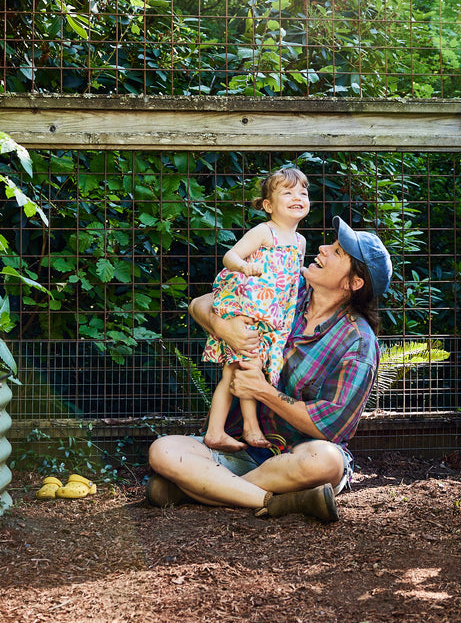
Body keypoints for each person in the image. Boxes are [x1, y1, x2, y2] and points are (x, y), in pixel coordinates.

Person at [145, 216, 392, 523]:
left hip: (296, 460)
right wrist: (224, 327)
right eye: (332, 244)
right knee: (163, 450)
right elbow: (199, 304)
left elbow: (330, 427)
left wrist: (262, 391)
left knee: (325, 461)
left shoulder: (358, 343)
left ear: (353, 284)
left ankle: (198, 490)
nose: (323, 248)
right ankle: (274, 501)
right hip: (241, 450)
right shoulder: (286, 287)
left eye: (337, 252)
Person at [202, 166, 310, 451]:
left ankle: (241, 429)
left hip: (272, 317)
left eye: (303, 191)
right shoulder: (265, 232)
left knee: (248, 368)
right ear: (268, 205)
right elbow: (230, 255)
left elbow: (290, 280)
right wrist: (244, 267)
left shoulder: (300, 242)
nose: (297, 196)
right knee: (238, 367)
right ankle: (227, 430)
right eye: (287, 192)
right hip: (246, 310)